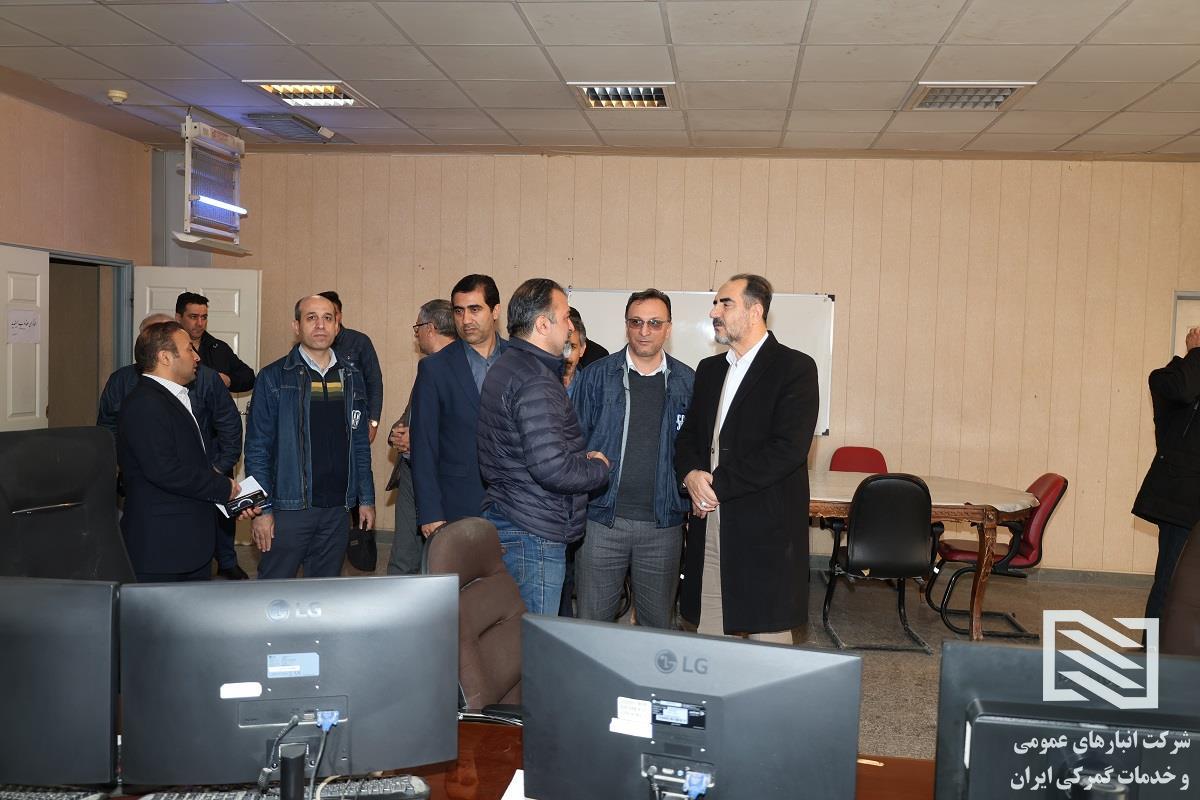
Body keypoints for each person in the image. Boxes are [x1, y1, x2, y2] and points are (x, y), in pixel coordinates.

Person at [674, 274, 818, 643]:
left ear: (755, 311)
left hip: (764, 529)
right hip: (710, 523)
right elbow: (689, 436)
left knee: (767, 647)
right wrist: (691, 475)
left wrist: (714, 487)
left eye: (725, 304)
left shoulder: (795, 368)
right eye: (715, 304)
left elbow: (787, 449)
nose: (714, 312)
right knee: (710, 639)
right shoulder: (710, 371)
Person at [477, 277, 610, 614]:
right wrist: (598, 467)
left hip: (514, 516)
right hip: (534, 530)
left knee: (515, 632)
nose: (570, 326)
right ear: (542, 324)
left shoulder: (508, 365)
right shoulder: (536, 379)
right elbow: (552, 468)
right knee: (533, 637)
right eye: (565, 317)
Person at [572, 289, 695, 628]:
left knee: (657, 629)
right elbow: (572, 440)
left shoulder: (688, 381)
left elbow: (695, 449)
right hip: (601, 521)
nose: (644, 331)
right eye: (636, 322)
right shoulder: (596, 376)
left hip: (663, 525)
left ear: (668, 328)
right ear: (626, 325)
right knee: (592, 626)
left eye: (654, 323)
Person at [99, 312, 247, 580]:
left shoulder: (172, 396)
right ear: (165, 357)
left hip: (187, 543)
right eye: (189, 349)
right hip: (163, 548)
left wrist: (233, 496)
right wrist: (222, 486)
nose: (197, 356)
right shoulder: (145, 404)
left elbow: (188, 462)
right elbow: (165, 470)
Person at [244, 294, 375, 579]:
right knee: (274, 593)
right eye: (311, 318)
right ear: (297, 326)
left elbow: (359, 445)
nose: (320, 325)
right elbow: (257, 449)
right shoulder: (274, 377)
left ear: (337, 326)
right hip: (287, 509)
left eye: (328, 318)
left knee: (323, 596)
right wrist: (262, 510)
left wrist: (365, 498)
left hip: (337, 510)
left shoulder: (351, 377)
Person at [410, 275, 507, 537]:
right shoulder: (435, 368)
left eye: (475, 309)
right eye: (459, 311)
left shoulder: (520, 361)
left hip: (516, 507)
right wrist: (430, 512)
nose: (466, 320)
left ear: (495, 311)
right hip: (457, 502)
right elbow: (424, 445)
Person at [1132, 325, 1200, 620]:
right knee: (1170, 583)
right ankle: (1153, 647)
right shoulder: (1165, 380)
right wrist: (1196, 353)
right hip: (1180, 502)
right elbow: (1185, 391)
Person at [386, 299, 457, 575]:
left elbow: (464, 431)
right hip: (410, 474)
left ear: (431, 327)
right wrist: (397, 433)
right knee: (403, 559)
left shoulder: (463, 368)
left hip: (442, 479)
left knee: (441, 561)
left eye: (417, 327)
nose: (416, 334)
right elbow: (410, 415)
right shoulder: (427, 368)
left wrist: (419, 442)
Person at [318, 291, 384, 443]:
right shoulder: (310, 346)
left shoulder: (359, 342)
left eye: (330, 314)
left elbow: (374, 382)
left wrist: (373, 422)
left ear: (339, 316)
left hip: (354, 421)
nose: (324, 320)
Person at [176, 291, 255, 392]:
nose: (200, 323)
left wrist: (228, 380)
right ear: (178, 318)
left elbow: (249, 377)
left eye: (204, 317)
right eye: (193, 317)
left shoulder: (218, 348)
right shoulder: (167, 348)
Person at [562, 307, 588, 398]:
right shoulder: (538, 383)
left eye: (572, 347)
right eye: (562, 347)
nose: (566, 355)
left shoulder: (590, 387)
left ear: (582, 349)